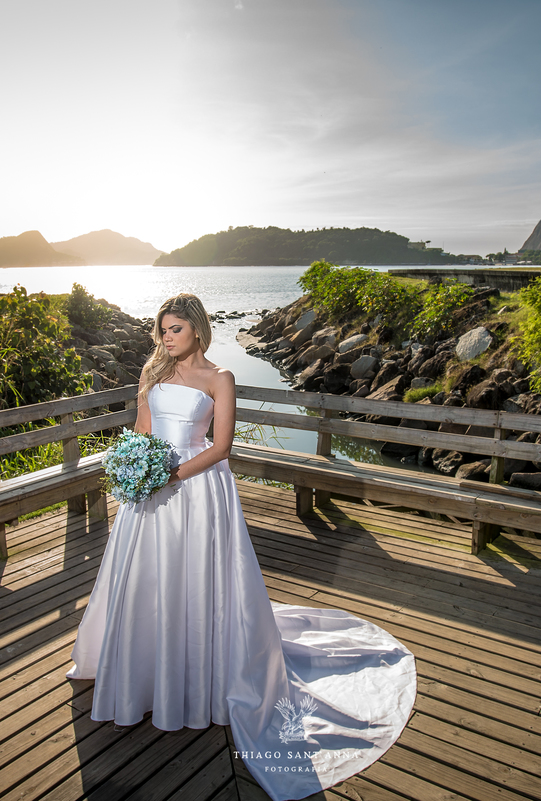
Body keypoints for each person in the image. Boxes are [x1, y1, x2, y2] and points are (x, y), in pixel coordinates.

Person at [67, 293, 416, 800]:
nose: (167, 337)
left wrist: (170, 474)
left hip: (197, 489)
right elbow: (141, 432)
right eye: (163, 329)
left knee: (197, 584)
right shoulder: (151, 375)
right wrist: (134, 468)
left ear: (199, 331)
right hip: (149, 493)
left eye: (177, 329)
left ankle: (201, 676)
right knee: (146, 583)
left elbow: (221, 447)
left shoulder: (219, 379)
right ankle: (141, 673)